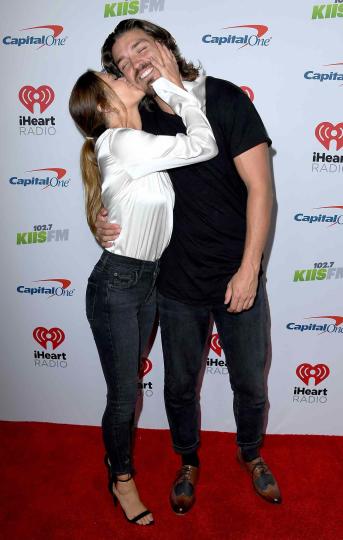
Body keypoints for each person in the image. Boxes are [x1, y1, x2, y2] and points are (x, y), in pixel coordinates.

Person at [95, 19, 281, 513]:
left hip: (235, 273)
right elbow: (115, 177)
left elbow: (261, 190)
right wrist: (99, 217)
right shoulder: (137, 121)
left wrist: (249, 269)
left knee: (249, 381)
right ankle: (188, 460)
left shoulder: (222, 98)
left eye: (140, 47)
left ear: (165, 45)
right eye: (123, 62)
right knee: (178, 387)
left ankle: (251, 453)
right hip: (174, 282)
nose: (135, 61)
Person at [68, 44, 218, 526]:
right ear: (103, 103)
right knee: (123, 393)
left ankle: (119, 468)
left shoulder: (136, 139)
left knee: (125, 388)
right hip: (118, 283)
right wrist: (178, 93)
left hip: (148, 278)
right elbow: (203, 144)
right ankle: (122, 478)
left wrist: (176, 86)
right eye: (109, 75)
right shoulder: (121, 141)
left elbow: (194, 92)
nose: (118, 72)